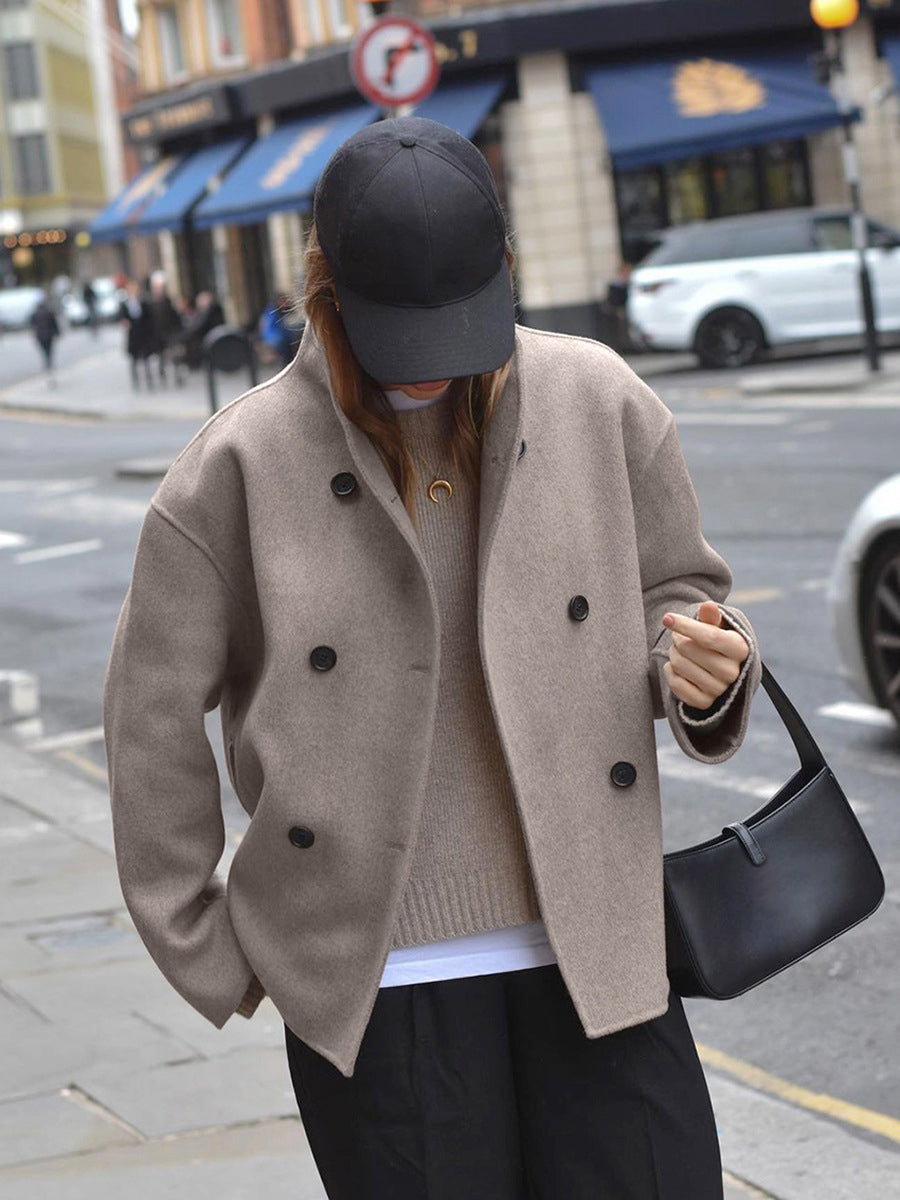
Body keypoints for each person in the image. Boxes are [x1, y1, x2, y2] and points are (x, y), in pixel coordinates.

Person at [102, 117, 762, 1199]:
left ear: (503, 276)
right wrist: (212, 943)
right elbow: (149, 715)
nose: (431, 373)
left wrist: (706, 668)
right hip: (380, 985)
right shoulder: (240, 463)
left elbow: (683, 594)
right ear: (327, 293)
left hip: (595, 945)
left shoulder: (597, 400)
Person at [146, 269, 183, 385]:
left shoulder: (167, 301)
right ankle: (162, 376)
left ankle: (177, 376)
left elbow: (174, 317)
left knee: (174, 355)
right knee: (160, 357)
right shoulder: (149, 302)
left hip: (169, 332)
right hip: (157, 334)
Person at [118, 278, 155, 389]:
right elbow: (121, 317)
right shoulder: (124, 304)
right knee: (134, 359)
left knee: (146, 358)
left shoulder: (143, 302)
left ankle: (149, 380)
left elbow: (149, 317)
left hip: (143, 334)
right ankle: (136, 381)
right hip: (133, 335)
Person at [30, 296, 60, 386]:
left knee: (44, 352)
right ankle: (48, 366)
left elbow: (32, 325)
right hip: (49, 335)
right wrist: (57, 333)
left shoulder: (34, 314)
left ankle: (47, 366)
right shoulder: (49, 312)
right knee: (49, 352)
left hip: (40, 336)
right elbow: (55, 324)